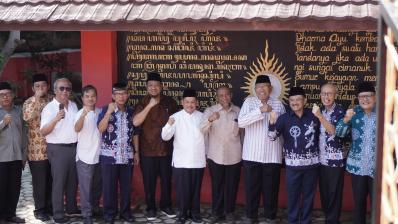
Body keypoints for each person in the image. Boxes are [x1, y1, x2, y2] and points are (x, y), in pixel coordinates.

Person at [238, 75, 285, 224]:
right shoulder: (249, 102)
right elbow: (241, 122)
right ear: (255, 89)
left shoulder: (278, 104)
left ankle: (270, 216)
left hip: (272, 155)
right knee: (252, 188)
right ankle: (251, 216)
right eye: (259, 87)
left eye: (265, 86)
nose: (262, 89)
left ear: (270, 89)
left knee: (271, 190)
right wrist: (260, 110)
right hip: (252, 154)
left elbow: (284, 129)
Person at [269, 86, 320, 224]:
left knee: (309, 196)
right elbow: (272, 137)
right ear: (289, 101)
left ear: (305, 101)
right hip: (292, 167)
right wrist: (272, 123)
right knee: (292, 197)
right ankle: (292, 221)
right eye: (292, 100)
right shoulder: (284, 118)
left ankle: (305, 221)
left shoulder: (314, 116)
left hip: (312, 166)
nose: (295, 102)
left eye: (298, 99)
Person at [132, 72, 178, 220]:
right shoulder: (142, 103)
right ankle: (151, 207)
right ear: (146, 87)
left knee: (166, 180)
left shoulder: (170, 102)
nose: (153, 88)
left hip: (166, 149)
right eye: (150, 85)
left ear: (161, 86)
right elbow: (136, 123)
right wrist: (150, 106)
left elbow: (178, 123)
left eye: (156, 85)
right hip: (147, 151)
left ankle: (166, 205)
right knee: (149, 181)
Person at [161, 88, 206, 224]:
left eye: (192, 102)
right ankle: (182, 213)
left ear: (196, 103)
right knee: (182, 190)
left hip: (198, 160)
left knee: (195, 189)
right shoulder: (176, 117)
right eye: (187, 102)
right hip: (181, 160)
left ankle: (195, 213)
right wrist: (168, 124)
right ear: (182, 102)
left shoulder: (202, 116)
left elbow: (207, 136)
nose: (190, 105)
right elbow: (165, 136)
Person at [97, 82, 139, 224]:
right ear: (113, 96)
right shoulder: (104, 110)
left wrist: (137, 152)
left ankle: (125, 212)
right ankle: (109, 214)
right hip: (109, 157)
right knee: (109, 187)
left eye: (124, 93)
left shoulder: (131, 111)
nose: (121, 97)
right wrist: (109, 112)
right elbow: (101, 129)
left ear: (128, 95)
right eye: (118, 94)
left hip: (127, 156)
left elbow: (135, 133)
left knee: (126, 186)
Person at [336, 81, 376, 224]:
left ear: (375, 97)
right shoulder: (354, 114)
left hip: (378, 168)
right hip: (357, 166)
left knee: (378, 205)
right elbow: (339, 133)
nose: (365, 100)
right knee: (359, 203)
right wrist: (346, 119)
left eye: (368, 96)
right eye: (361, 97)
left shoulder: (385, 114)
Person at [200, 86, 242, 223]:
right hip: (215, 155)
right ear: (217, 97)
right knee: (217, 186)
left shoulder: (238, 111)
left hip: (234, 155)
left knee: (232, 186)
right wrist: (210, 119)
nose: (224, 98)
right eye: (221, 95)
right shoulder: (210, 111)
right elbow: (202, 130)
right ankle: (217, 212)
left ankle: (229, 212)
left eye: (227, 95)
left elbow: (243, 134)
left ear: (231, 95)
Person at [40, 78, 79, 224]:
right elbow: (43, 131)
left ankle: (71, 208)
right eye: (62, 88)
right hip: (58, 149)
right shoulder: (49, 108)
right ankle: (58, 214)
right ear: (55, 90)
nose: (65, 91)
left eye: (68, 89)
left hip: (74, 148)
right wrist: (56, 119)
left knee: (72, 181)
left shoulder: (74, 105)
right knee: (59, 182)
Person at [22, 74, 52, 222]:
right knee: (40, 182)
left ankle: (50, 207)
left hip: (52, 149)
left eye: (43, 86)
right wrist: (37, 99)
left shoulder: (52, 100)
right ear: (33, 88)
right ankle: (39, 210)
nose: (41, 88)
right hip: (36, 150)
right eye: (38, 86)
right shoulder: (29, 102)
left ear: (48, 86)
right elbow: (28, 117)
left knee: (51, 180)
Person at [314, 83, 345, 224]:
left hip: (335, 160)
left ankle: (332, 220)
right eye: (324, 93)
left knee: (334, 193)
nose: (326, 96)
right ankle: (328, 218)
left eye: (330, 93)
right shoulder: (320, 110)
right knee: (325, 192)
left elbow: (334, 131)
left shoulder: (340, 111)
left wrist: (320, 117)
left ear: (335, 95)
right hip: (321, 159)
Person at [74, 85, 102, 224]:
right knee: (85, 188)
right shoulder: (80, 113)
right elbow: (76, 128)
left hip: (99, 155)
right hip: (84, 157)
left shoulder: (100, 111)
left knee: (97, 185)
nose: (90, 98)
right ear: (82, 98)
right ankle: (86, 214)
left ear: (96, 97)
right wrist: (83, 116)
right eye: (87, 96)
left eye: (93, 96)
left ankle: (95, 208)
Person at [0, 81, 26, 224]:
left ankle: (11, 214)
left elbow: (23, 134)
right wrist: (3, 123)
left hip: (16, 157)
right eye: (2, 95)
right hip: (1, 158)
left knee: (14, 188)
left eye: (8, 94)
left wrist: (24, 154)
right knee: (1, 188)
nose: (5, 97)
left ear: (12, 96)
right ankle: (1, 217)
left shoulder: (18, 111)